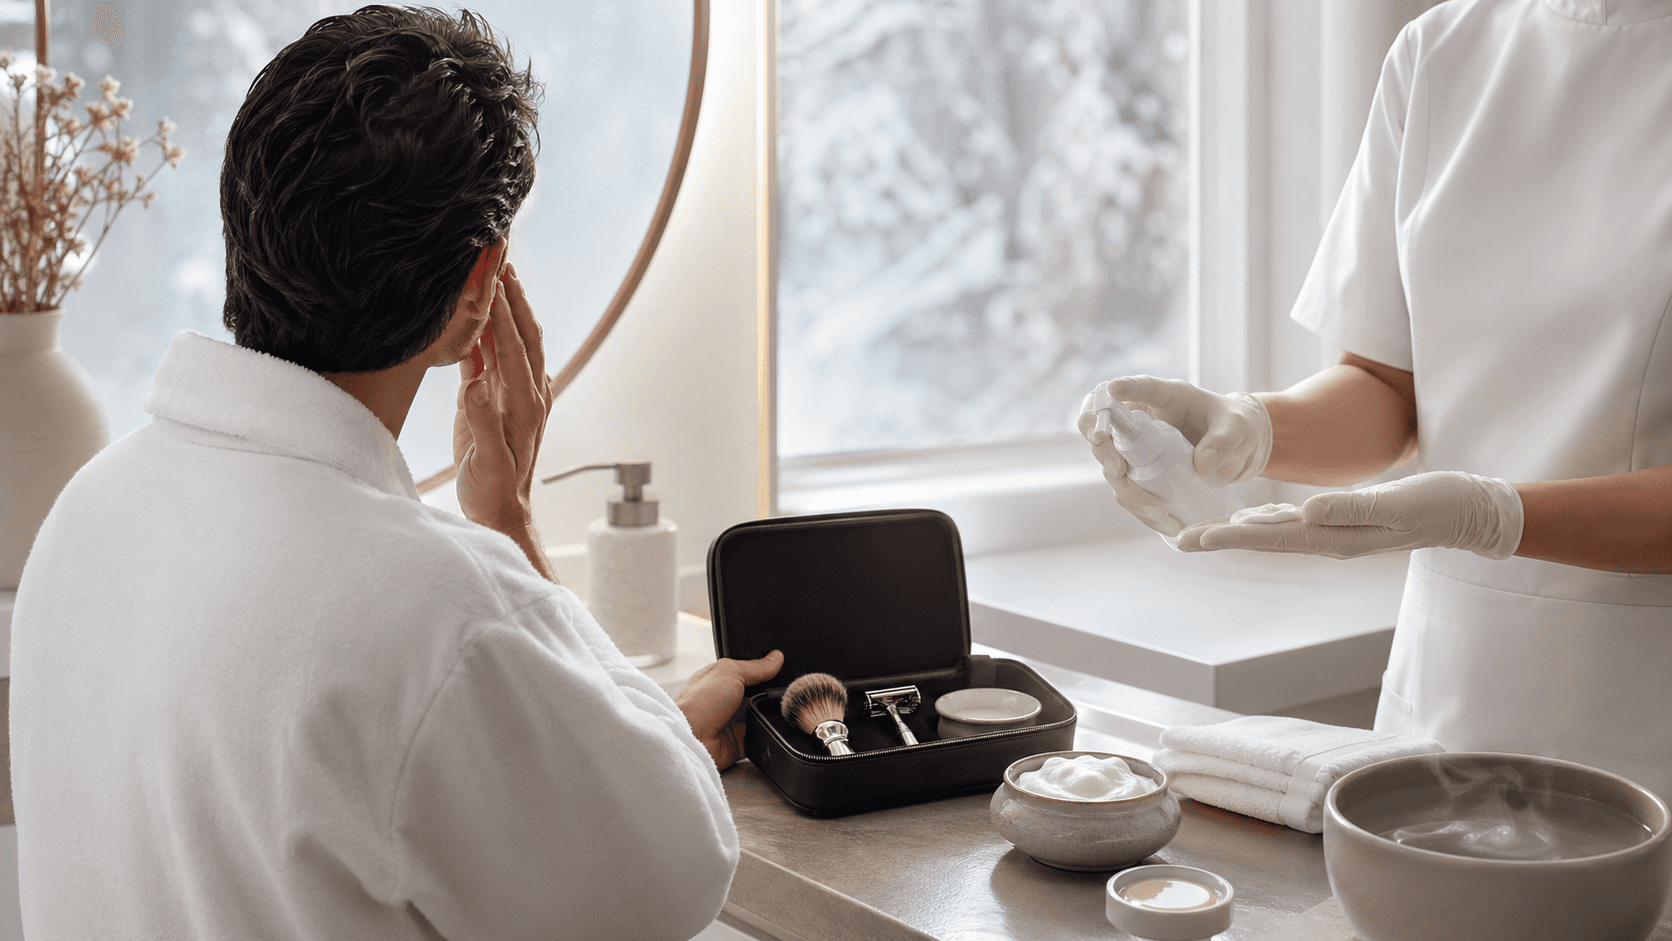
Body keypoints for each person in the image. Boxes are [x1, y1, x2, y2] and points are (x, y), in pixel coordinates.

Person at [9, 7, 781, 939]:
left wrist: (631, 721)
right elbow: (677, 868)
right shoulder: (438, 612)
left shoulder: (89, 512)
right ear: (479, 286)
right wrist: (509, 525)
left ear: (243, 219)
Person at [1081, 0, 1672, 797]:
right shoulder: (1441, 50)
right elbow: (1389, 386)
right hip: (1445, 693)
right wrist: (1249, 425)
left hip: (1647, 720)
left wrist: (1493, 516)